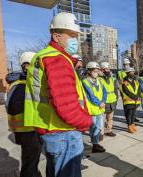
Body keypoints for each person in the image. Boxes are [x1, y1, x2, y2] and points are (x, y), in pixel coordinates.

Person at [24, 12, 92, 177]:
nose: (75, 40)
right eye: (72, 35)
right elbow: (66, 105)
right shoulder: (56, 58)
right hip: (63, 132)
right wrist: (86, 121)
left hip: (51, 130)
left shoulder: (45, 56)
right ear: (56, 36)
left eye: (76, 36)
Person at [5, 52, 42, 177]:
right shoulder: (20, 85)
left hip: (28, 127)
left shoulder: (26, 83)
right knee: (31, 158)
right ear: (26, 66)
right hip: (27, 128)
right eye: (36, 65)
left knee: (31, 157)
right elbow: (14, 107)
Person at [82, 62, 107, 153]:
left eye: (97, 70)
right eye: (94, 71)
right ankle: (95, 144)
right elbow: (90, 95)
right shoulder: (85, 81)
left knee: (99, 127)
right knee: (93, 127)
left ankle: (95, 143)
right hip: (92, 108)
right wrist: (99, 103)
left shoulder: (100, 80)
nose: (96, 72)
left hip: (100, 108)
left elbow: (104, 92)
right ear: (89, 71)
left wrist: (103, 101)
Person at [100, 62, 119, 137]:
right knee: (102, 119)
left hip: (112, 101)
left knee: (110, 118)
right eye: (105, 69)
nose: (107, 70)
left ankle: (109, 130)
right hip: (104, 102)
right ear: (102, 69)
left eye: (108, 69)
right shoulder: (99, 79)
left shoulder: (112, 78)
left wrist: (116, 99)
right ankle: (101, 133)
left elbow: (115, 89)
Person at [121, 67, 141, 133]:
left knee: (134, 114)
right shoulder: (124, 82)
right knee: (129, 114)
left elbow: (138, 89)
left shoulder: (135, 81)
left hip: (135, 101)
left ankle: (133, 124)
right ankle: (129, 126)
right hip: (128, 101)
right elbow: (127, 92)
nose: (132, 73)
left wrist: (138, 96)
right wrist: (135, 97)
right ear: (127, 73)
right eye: (131, 72)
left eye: (133, 72)